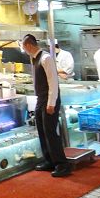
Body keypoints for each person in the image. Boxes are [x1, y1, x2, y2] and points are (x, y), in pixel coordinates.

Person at [22, 34, 71, 177]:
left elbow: (53, 82)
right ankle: (49, 160)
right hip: (40, 99)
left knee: (50, 132)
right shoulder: (34, 59)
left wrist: (51, 103)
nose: (24, 50)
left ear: (29, 45)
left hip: (49, 100)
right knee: (42, 130)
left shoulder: (46, 58)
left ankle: (62, 164)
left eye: (24, 47)